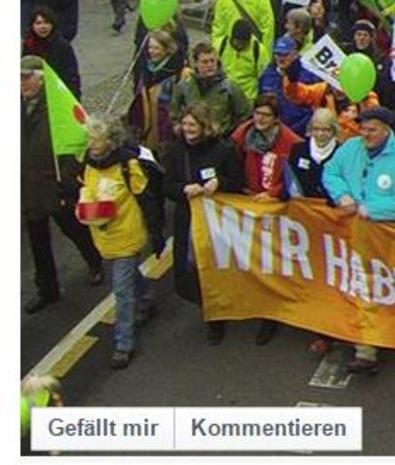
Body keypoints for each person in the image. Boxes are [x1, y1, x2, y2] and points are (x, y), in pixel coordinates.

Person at [320, 105, 395, 373]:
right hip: (351, 233)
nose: (366, 135)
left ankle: (391, 338)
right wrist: (342, 195)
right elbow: (331, 172)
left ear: (386, 130)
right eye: (363, 129)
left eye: (372, 130)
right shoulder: (351, 148)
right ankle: (366, 349)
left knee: (384, 289)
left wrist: (371, 210)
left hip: (384, 236)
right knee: (357, 286)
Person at [21, 56, 103, 312]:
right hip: (28, 186)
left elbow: (81, 143)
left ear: (41, 79)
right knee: (38, 242)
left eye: (26, 77)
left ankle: (94, 260)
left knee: (73, 229)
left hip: (54, 184)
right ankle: (47, 289)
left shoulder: (58, 109)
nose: (22, 83)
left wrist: (66, 180)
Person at [74, 116, 153, 369]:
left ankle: (123, 344)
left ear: (110, 141)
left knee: (121, 289)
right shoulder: (88, 165)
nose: (93, 145)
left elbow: (143, 192)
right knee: (128, 278)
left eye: (97, 140)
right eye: (90, 140)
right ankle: (146, 299)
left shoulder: (127, 165)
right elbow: (87, 189)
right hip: (103, 234)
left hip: (126, 233)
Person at [162, 102, 244, 343]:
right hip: (188, 219)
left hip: (217, 220)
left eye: (192, 124)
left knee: (216, 264)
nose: (187, 129)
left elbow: (236, 183)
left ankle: (219, 311)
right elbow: (166, 186)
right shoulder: (176, 151)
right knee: (192, 268)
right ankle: (209, 309)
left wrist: (220, 184)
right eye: (185, 124)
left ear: (204, 125)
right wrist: (183, 188)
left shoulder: (223, 150)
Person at [170, 41, 250, 136]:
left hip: (219, 141)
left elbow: (244, 117)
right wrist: (180, 130)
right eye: (205, 62)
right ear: (195, 63)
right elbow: (174, 114)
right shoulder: (184, 86)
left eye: (212, 61)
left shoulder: (230, 88)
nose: (210, 65)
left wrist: (229, 135)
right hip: (190, 140)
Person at [128, 29, 185, 155]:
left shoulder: (179, 74)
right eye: (150, 48)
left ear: (166, 49)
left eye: (156, 48)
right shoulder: (147, 70)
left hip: (168, 133)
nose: (151, 52)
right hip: (149, 132)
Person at [23, 6, 81, 97]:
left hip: (56, 93)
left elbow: (71, 75)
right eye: (38, 23)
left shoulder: (62, 46)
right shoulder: (27, 45)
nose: (43, 27)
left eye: (46, 22)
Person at [285, 108, 341, 200]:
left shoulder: (342, 154)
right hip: (303, 207)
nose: (320, 134)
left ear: (334, 130)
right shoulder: (298, 150)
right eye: (316, 129)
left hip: (332, 210)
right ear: (310, 129)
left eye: (326, 130)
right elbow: (290, 180)